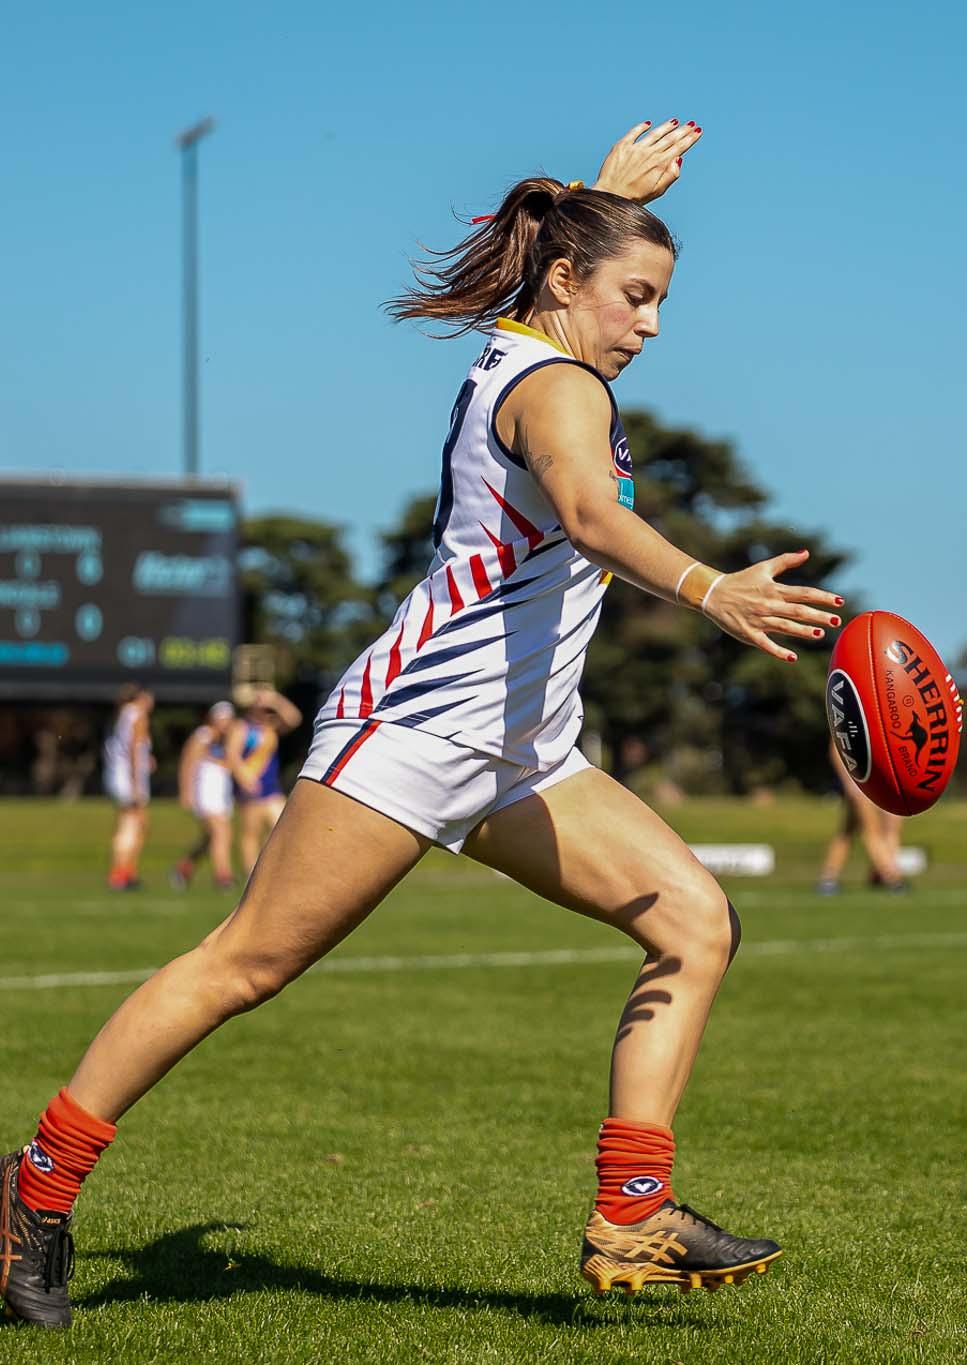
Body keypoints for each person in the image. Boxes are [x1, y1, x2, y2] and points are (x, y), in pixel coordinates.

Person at [0, 118, 846, 1329]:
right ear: (569, 281)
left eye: (660, 300)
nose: (651, 324)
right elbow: (590, 514)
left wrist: (603, 196)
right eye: (636, 296)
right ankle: (32, 1191)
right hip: (412, 731)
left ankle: (632, 1213)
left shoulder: (530, 344)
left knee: (693, 924)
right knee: (243, 966)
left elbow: (559, 288)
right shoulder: (556, 386)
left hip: (522, 755)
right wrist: (710, 589)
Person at [227, 687, 303, 876]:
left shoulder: (270, 726)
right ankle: (252, 875)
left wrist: (276, 700)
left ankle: (274, 871)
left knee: (284, 828)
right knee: (251, 833)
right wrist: (245, 780)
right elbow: (232, 756)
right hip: (251, 787)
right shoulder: (242, 727)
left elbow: (294, 719)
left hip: (271, 787)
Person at [817, 740, 906, 893]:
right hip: (860, 782)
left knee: (850, 830)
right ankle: (891, 877)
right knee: (869, 828)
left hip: (881, 780)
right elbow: (837, 747)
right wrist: (849, 781)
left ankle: (831, 876)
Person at [169, 701, 238, 891]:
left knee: (210, 838)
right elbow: (188, 762)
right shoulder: (203, 736)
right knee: (221, 832)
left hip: (220, 793)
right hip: (205, 792)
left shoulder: (226, 740)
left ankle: (184, 867)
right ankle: (224, 877)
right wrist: (185, 791)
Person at [102, 684, 154, 891]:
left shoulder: (123, 714)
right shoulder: (138, 715)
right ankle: (120, 873)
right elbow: (134, 748)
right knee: (132, 824)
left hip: (119, 774)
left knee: (131, 824)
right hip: (129, 777)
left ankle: (126, 872)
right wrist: (136, 781)